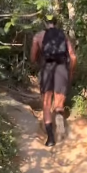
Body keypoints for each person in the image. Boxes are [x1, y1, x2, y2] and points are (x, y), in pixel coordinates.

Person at [30, 13, 77, 146]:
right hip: (62, 70)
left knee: (46, 104)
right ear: (56, 23)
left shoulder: (38, 37)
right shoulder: (63, 36)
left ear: (45, 23)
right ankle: (61, 133)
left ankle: (50, 138)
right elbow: (73, 57)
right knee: (59, 104)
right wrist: (71, 71)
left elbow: (33, 58)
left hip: (47, 70)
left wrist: (39, 59)